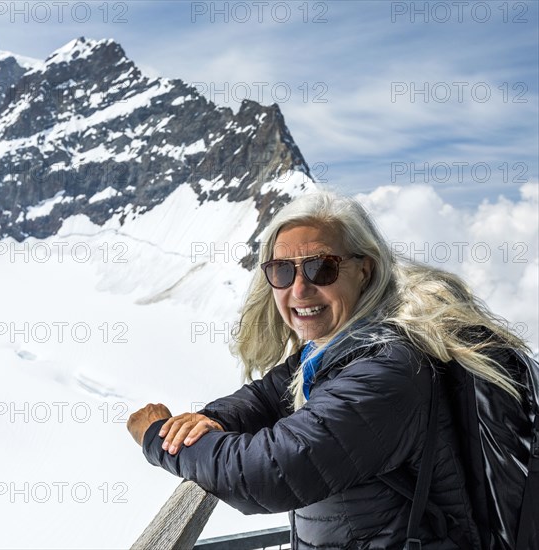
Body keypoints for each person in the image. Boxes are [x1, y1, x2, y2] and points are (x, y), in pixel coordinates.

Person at [127, 191, 530, 549]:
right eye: (282, 271)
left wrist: (158, 437)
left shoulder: (389, 370)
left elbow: (273, 472)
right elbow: (267, 395)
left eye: (321, 268)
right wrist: (206, 421)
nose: (299, 289)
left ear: (364, 270)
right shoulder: (337, 349)